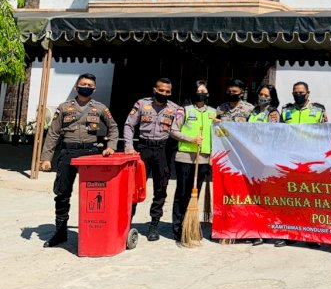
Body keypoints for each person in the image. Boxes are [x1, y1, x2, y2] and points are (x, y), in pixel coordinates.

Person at [40, 73, 119, 247]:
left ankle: (93, 228)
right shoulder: (64, 107)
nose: (86, 86)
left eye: (90, 85)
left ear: (94, 88)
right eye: (83, 84)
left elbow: (113, 127)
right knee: (62, 193)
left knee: (92, 193)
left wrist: (111, 146)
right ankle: (60, 232)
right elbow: (53, 133)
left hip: (91, 154)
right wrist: (46, 158)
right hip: (68, 152)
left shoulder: (100, 108)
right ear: (76, 86)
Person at [124, 77, 184, 241]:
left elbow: (180, 129)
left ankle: (154, 226)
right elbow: (129, 125)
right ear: (154, 89)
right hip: (143, 148)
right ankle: (126, 222)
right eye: (161, 90)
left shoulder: (175, 109)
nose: (164, 93)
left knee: (161, 188)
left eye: (167, 91)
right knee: (135, 188)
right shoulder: (142, 104)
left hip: (163, 150)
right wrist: (128, 146)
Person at [276, 81, 328, 247]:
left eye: (301, 92)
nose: (298, 94)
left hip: (311, 161)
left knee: (311, 199)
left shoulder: (319, 110)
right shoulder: (286, 110)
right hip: (291, 161)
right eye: (295, 92)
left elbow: (324, 133)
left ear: (308, 93)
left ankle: (311, 235)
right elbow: (279, 133)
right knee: (290, 198)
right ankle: (289, 233)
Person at [170, 81, 215, 242]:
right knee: (182, 193)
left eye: (204, 90)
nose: (201, 93)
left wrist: (212, 156)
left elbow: (216, 135)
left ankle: (190, 225)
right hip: (185, 157)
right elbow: (173, 131)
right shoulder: (184, 110)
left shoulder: (213, 112)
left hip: (203, 159)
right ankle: (178, 228)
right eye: (198, 90)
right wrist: (191, 139)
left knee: (194, 193)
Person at [246, 84, 281, 245]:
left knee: (267, 195)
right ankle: (255, 228)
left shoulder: (272, 113)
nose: (263, 97)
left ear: (272, 97)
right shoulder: (253, 112)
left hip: (266, 159)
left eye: (266, 95)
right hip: (252, 158)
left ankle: (267, 229)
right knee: (254, 195)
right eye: (261, 94)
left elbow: (273, 133)